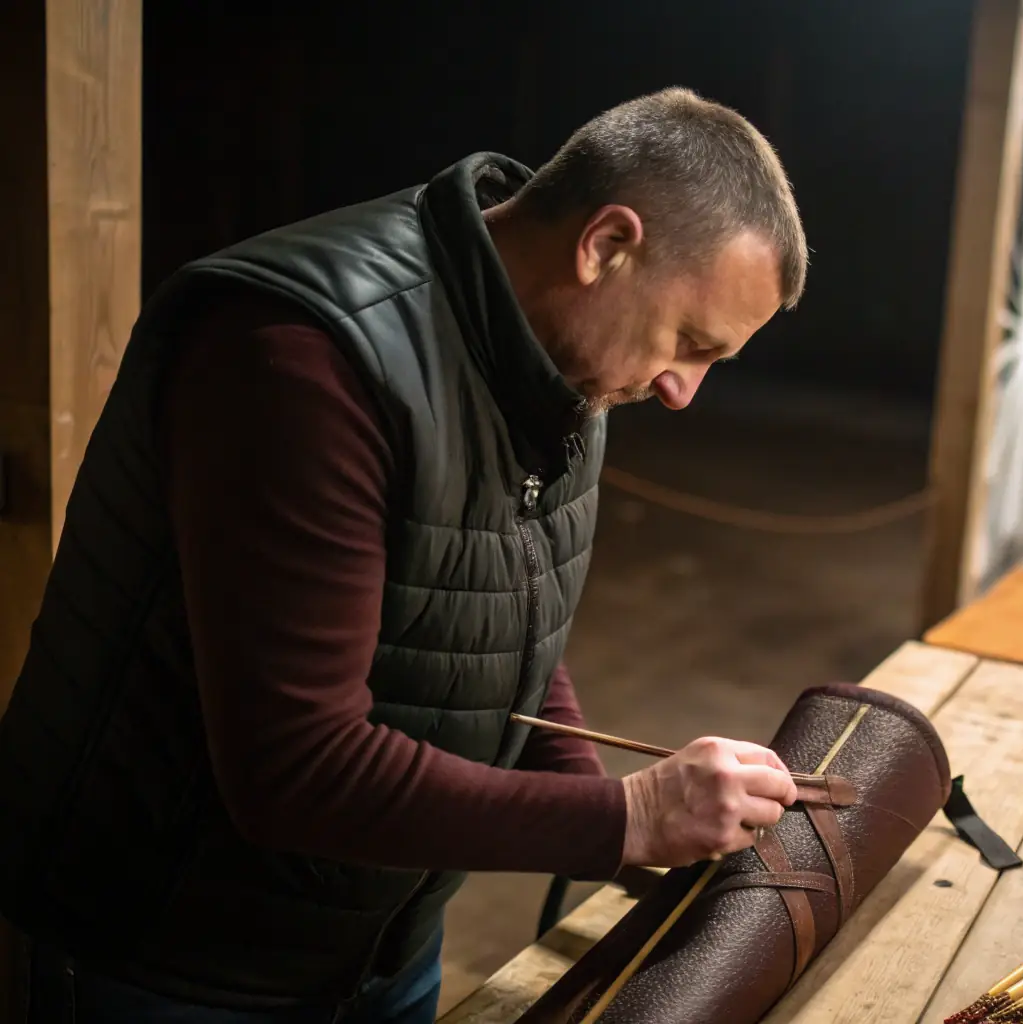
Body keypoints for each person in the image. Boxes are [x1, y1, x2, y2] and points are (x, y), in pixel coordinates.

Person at [0, 87, 808, 1022]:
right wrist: (628, 816)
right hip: (172, 961)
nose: (682, 391)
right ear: (605, 247)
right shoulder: (303, 357)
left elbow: (502, 622)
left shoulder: (566, 360)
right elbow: (295, 768)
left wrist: (601, 816)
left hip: (378, 942)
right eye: (689, 343)